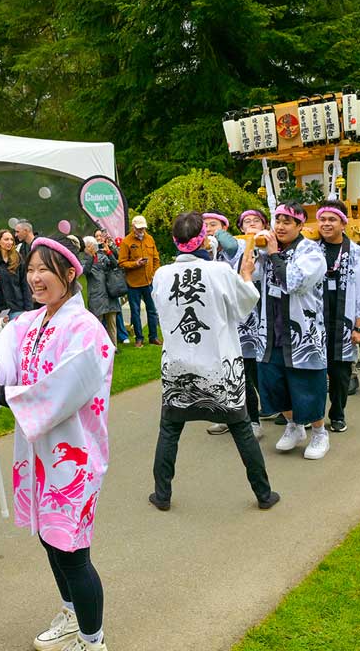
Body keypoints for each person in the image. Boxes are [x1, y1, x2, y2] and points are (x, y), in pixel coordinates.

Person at [0, 235, 114, 651]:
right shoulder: (27, 324)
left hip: (74, 455)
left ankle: (92, 640)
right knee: (49, 538)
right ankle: (72, 614)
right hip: (37, 454)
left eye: (44, 270)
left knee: (72, 549)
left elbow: (66, 388)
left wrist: (1, 395)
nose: (35, 278)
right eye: (31, 269)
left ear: (69, 274)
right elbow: (5, 364)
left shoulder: (86, 329)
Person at [150, 211, 281, 502]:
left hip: (178, 365)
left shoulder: (161, 275)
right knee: (241, 428)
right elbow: (244, 306)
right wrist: (246, 276)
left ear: (175, 241)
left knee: (170, 429)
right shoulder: (220, 271)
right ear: (204, 240)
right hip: (219, 365)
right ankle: (263, 494)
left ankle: (162, 494)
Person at [253, 203, 333, 458]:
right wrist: (254, 251)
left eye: (287, 222)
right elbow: (249, 276)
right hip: (271, 331)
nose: (280, 226)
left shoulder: (311, 252)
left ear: (300, 226)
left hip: (302, 333)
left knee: (306, 384)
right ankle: (293, 426)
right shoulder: (267, 248)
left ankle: (319, 433)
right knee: (275, 384)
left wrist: (273, 254)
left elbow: (293, 282)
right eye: (277, 221)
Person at [315, 201, 360, 433]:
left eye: (332, 219)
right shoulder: (311, 250)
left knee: (340, 373)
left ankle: (337, 413)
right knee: (313, 371)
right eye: (322, 219)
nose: (326, 224)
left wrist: (359, 327)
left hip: (343, 321)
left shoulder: (356, 253)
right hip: (316, 320)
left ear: (343, 223)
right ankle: (312, 415)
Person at [208, 208, 273, 436]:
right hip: (222, 318)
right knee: (225, 371)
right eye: (247, 221)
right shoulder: (211, 251)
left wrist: (221, 238)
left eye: (213, 225)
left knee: (251, 371)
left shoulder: (248, 244)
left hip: (250, 318)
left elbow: (236, 253)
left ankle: (258, 418)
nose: (208, 229)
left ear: (225, 228)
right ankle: (229, 415)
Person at [118, 215, 161, 348]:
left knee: (152, 310)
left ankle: (153, 337)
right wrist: (135, 264)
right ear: (133, 227)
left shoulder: (150, 239)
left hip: (149, 281)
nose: (141, 230)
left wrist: (154, 274)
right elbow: (122, 262)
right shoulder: (126, 242)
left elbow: (156, 259)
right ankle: (139, 338)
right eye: (139, 228)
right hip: (133, 283)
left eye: (143, 228)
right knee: (135, 311)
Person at [81, 237, 124, 342]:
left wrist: (109, 252)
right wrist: (91, 257)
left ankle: (113, 347)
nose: (86, 249)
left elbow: (114, 265)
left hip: (109, 293)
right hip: (96, 296)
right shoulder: (84, 259)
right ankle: (98, 347)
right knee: (97, 324)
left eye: (88, 246)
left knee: (112, 324)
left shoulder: (103, 256)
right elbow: (86, 271)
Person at [94, 230, 131, 345]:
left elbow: (117, 259)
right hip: (100, 287)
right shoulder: (93, 250)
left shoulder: (109, 246)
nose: (99, 238)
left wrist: (109, 248)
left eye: (100, 236)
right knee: (102, 315)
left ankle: (122, 336)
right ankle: (104, 341)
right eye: (96, 236)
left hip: (113, 284)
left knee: (115, 312)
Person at [0, 228, 32, 316]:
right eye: (6, 239)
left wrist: (29, 309)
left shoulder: (18, 258)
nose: (10, 242)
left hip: (18, 307)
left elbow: (24, 284)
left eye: (11, 240)